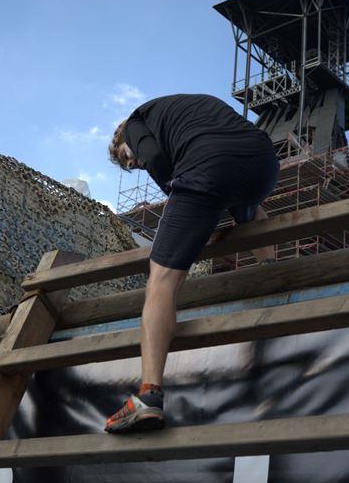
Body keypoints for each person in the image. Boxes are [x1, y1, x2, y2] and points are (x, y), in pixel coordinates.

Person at [104, 93, 279, 433]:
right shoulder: (182, 111)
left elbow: (155, 157)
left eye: (127, 157)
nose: (135, 164)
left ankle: (148, 396)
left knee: (161, 280)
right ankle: (274, 272)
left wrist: (182, 197)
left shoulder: (136, 122)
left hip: (208, 166)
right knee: (247, 208)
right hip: (263, 164)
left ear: (125, 138)